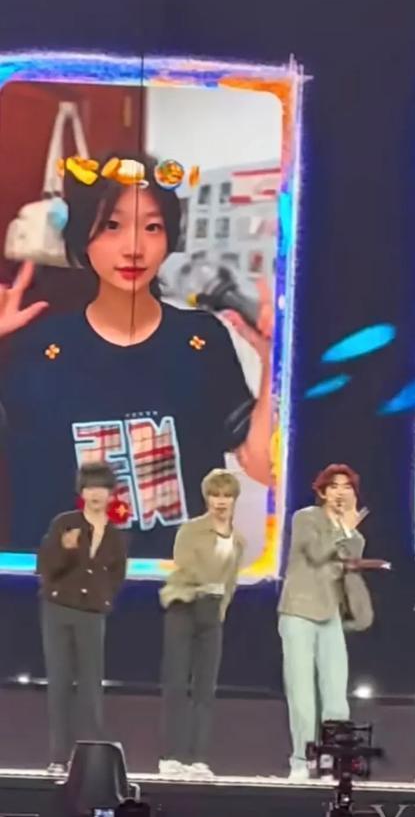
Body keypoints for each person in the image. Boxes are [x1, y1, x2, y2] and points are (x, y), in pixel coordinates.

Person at [0, 151, 272, 558]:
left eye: (152, 227)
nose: (133, 247)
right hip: (63, 583)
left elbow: (262, 466)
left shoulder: (200, 339)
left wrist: (272, 362)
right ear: (83, 237)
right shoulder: (37, 346)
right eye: (112, 226)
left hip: (176, 583)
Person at [278, 464, 371, 782]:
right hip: (299, 611)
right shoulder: (305, 518)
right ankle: (301, 760)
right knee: (302, 693)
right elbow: (317, 553)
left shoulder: (352, 532)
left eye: (347, 487)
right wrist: (342, 528)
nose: (340, 492)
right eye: (334, 487)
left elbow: (352, 558)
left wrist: (348, 531)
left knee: (336, 693)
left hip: (331, 613)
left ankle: (331, 759)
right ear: (322, 492)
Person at [37, 460, 127, 776]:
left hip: (92, 615)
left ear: (111, 493)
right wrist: (66, 550)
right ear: (82, 492)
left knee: (91, 685)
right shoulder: (65, 524)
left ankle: (92, 757)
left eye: (101, 488)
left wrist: (103, 599)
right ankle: (59, 757)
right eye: (89, 487)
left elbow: (117, 575)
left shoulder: (115, 536)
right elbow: (45, 567)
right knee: (60, 683)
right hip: (58, 611)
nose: (95, 494)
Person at [158, 469, 246, 780]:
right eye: (215, 495)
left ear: (234, 500)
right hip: (184, 606)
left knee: (205, 688)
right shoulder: (191, 530)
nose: (220, 501)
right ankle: (171, 756)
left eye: (226, 496)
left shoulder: (238, 540)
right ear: (206, 498)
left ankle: (198, 759)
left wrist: (220, 608)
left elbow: (231, 582)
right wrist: (211, 586)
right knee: (176, 683)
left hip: (211, 612)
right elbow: (188, 567)